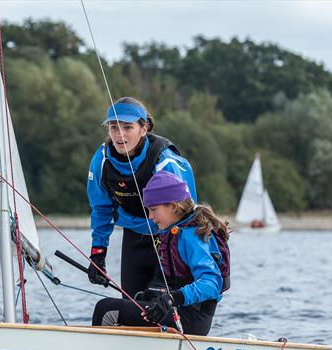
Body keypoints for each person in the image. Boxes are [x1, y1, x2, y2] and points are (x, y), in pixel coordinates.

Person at [91, 172, 230, 336]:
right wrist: (150, 296)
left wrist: (172, 298)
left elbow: (213, 283)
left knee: (106, 309)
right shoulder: (174, 232)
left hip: (192, 318)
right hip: (178, 312)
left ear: (173, 206)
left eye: (153, 209)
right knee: (126, 306)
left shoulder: (192, 236)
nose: (150, 217)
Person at [86, 97, 197, 297]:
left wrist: (179, 256)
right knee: (132, 304)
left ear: (143, 129)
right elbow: (101, 209)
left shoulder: (164, 163)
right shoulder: (101, 161)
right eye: (113, 127)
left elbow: (187, 214)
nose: (119, 135)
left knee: (161, 303)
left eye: (128, 127)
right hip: (133, 236)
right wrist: (98, 254)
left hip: (168, 238)